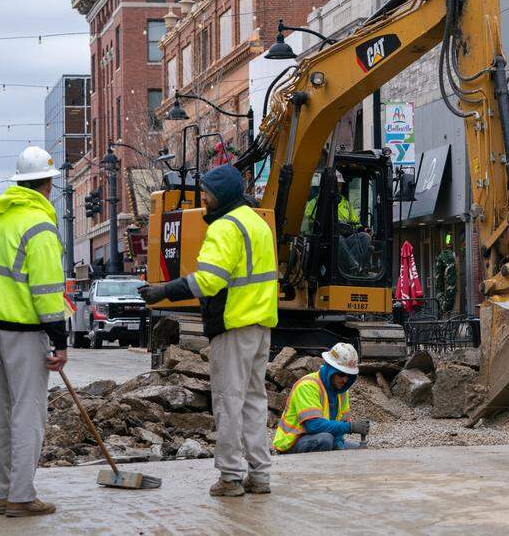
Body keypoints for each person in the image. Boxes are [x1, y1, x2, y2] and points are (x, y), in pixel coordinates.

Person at [138, 164, 278, 496]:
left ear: (224, 196)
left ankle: (230, 477)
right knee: (254, 401)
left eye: (208, 196)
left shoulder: (226, 227)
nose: (205, 202)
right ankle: (260, 475)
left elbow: (209, 280)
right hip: (260, 326)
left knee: (229, 401)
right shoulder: (258, 223)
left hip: (233, 324)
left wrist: (164, 290)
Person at [0, 147, 68, 517]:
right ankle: (22, 496)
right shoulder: (39, 226)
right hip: (23, 331)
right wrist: (60, 341)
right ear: (47, 186)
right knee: (28, 412)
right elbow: (47, 293)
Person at [272, 343, 368, 454]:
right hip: (292, 442)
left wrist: (339, 446)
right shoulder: (307, 386)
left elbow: (338, 428)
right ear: (330, 369)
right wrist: (350, 427)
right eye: (341, 374)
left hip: (321, 437)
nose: (345, 380)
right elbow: (314, 425)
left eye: (349, 375)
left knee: (358, 451)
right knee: (325, 440)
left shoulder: (342, 392)